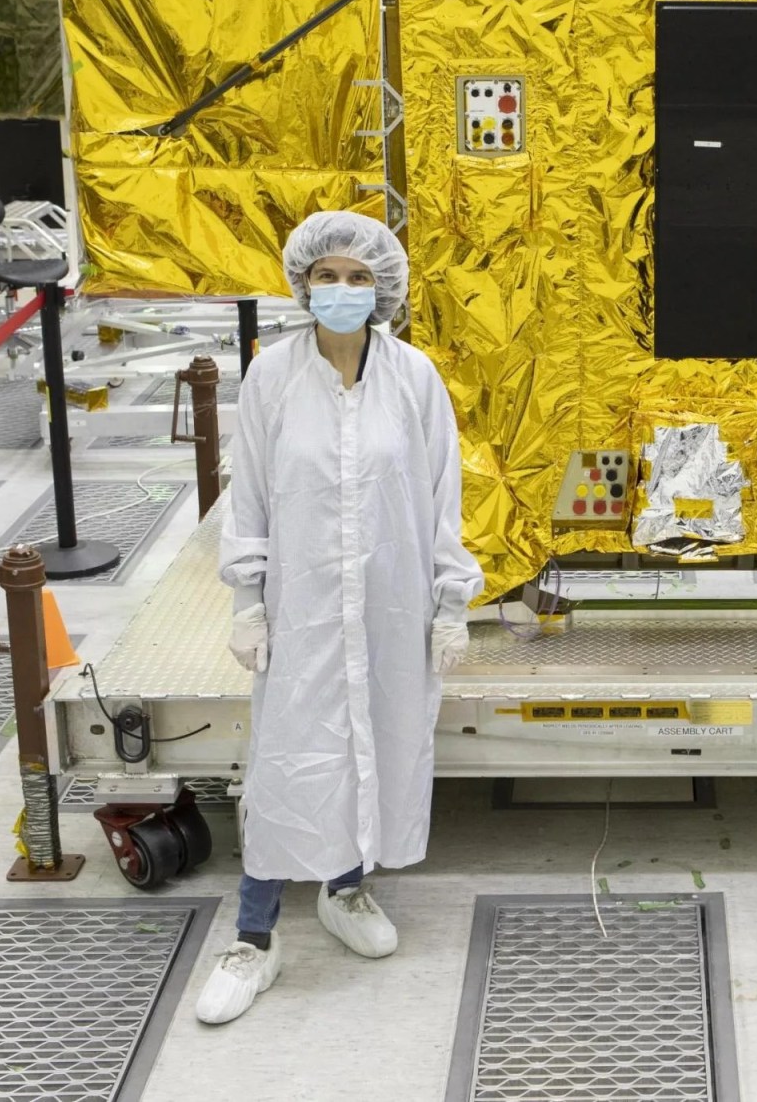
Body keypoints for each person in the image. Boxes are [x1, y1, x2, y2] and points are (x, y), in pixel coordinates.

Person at [200, 210, 483, 1026]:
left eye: (360, 277)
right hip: (304, 611)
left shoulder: (415, 377)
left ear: (384, 288)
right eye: (327, 275)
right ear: (303, 285)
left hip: (391, 608)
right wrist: (246, 599)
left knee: (377, 744)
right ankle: (255, 936)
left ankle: (345, 890)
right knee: (290, 758)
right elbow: (248, 492)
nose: (343, 290)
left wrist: (450, 603)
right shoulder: (272, 376)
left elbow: (439, 498)